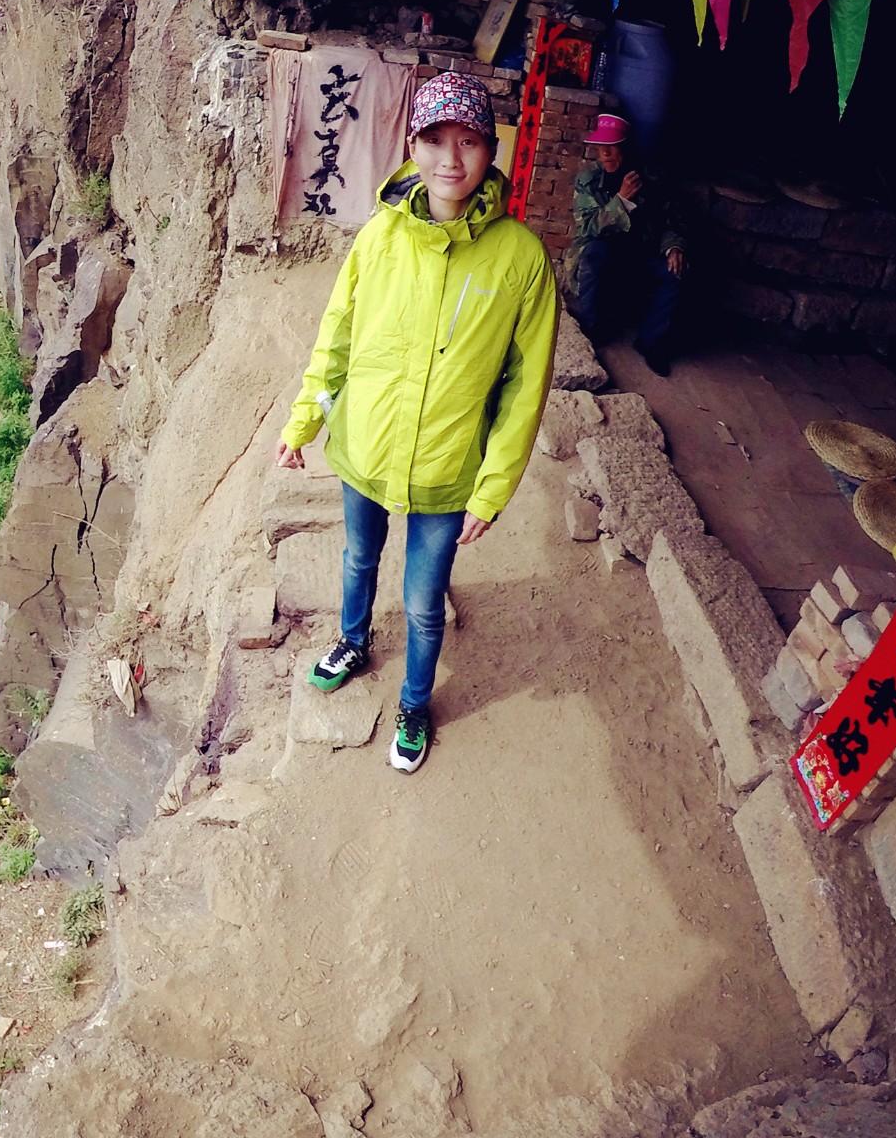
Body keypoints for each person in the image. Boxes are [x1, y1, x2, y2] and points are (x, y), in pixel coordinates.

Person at [273, 72, 558, 773]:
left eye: (468, 142)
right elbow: (337, 333)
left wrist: (492, 487)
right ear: (412, 145)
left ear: (492, 150)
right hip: (367, 445)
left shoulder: (521, 259)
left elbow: (526, 387)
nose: (450, 159)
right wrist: (306, 415)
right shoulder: (377, 238)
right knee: (358, 559)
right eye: (435, 140)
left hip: (446, 466)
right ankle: (351, 638)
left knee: (424, 601)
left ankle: (414, 700)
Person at [569, 113, 687, 375]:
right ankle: (591, 327)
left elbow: (671, 221)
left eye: (612, 147)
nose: (605, 154)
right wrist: (621, 200)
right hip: (605, 251)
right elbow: (588, 228)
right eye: (601, 148)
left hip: (640, 253)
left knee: (674, 272)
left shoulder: (652, 178)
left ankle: (650, 342)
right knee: (593, 254)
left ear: (626, 147)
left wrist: (673, 247)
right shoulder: (588, 180)